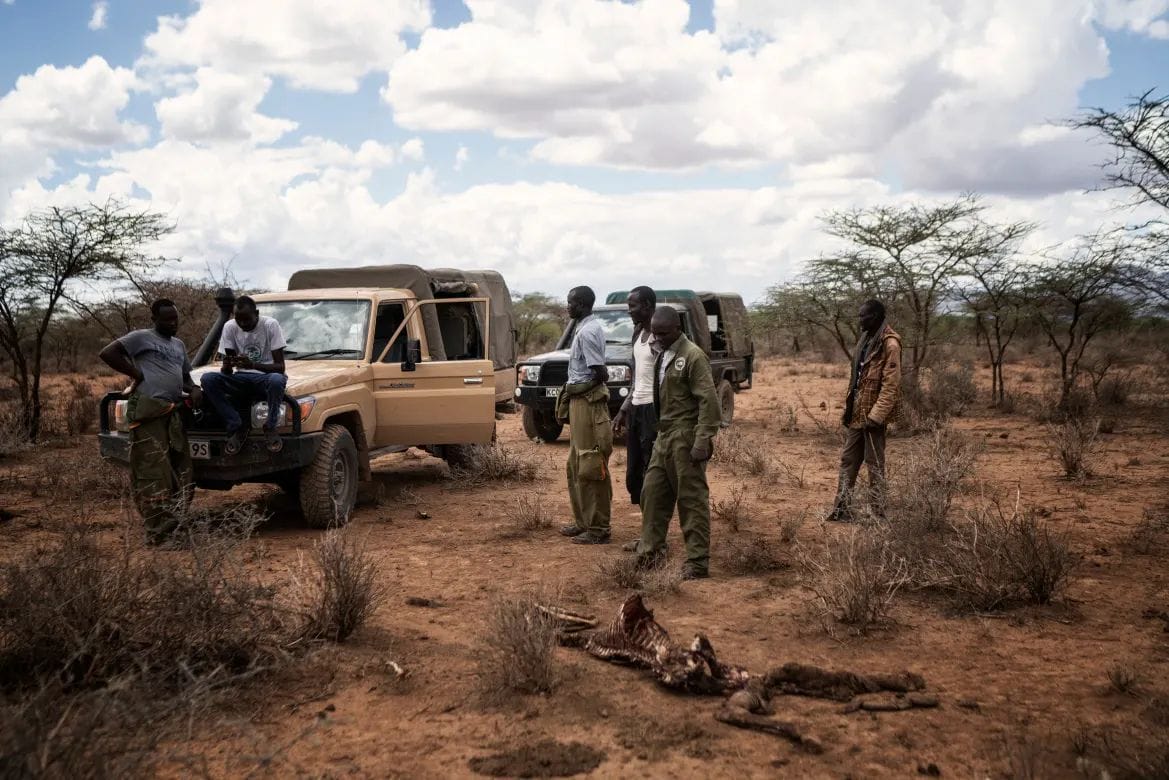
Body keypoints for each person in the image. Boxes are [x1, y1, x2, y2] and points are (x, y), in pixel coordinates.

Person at [99, 299, 201, 545]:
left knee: (181, 469)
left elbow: (185, 377)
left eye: (175, 319)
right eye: (167, 319)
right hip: (149, 412)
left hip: (173, 412)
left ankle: (176, 525)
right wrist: (136, 374)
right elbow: (108, 353)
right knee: (153, 472)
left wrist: (194, 388)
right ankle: (160, 532)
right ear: (154, 319)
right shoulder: (141, 337)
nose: (172, 323)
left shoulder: (178, 345)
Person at [635, 307, 721, 580]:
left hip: (686, 436)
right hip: (664, 436)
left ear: (677, 328)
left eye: (662, 333)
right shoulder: (663, 354)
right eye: (654, 333)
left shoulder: (693, 356)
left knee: (691, 499)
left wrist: (702, 439)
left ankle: (697, 562)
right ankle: (650, 553)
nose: (656, 338)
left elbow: (709, 401)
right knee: (652, 493)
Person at [826, 299, 903, 522]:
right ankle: (841, 509)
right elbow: (857, 380)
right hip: (857, 414)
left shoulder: (890, 344)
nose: (860, 320)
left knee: (875, 466)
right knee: (848, 461)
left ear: (877, 316)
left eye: (864, 316)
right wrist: (849, 411)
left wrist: (877, 416)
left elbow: (891, 385)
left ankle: (878, 514)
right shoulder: (867, 340)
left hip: (873, 417)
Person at [555, 285, 613, 545]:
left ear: (583, 304)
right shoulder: (582, 327)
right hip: (580, 403)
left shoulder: (588, 331)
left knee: (590, 464)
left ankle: (598, 527)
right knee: (575, 465)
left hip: (589, 404)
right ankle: (583, 522)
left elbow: (600, 374)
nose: (568, 306)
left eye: (571, 302)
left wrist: (575, 390)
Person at [200, 295, 288, 455]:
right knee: (207, 379)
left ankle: (270, 425)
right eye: (239, 320)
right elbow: (228, 369)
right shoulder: (229, 327)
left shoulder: (270, 325)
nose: (243, 324)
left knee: (277, 380)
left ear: (257, 313)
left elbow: (280, 367)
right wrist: (226, 366)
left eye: (247, 320)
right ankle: (235, 422)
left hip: (265, 378)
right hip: (240, 378)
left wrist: (252, 365)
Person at [612, 286, 657, 552]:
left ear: (649, 305)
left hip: (654, 412)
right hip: (637, 409)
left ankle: (652, 537)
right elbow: (637, 378)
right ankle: (647, 533)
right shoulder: (638, 334)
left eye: (634, 306)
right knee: (634, 475)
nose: (630, 311)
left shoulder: (662, 336)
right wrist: (624, 409)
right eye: (629, 306)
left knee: (652, 476)